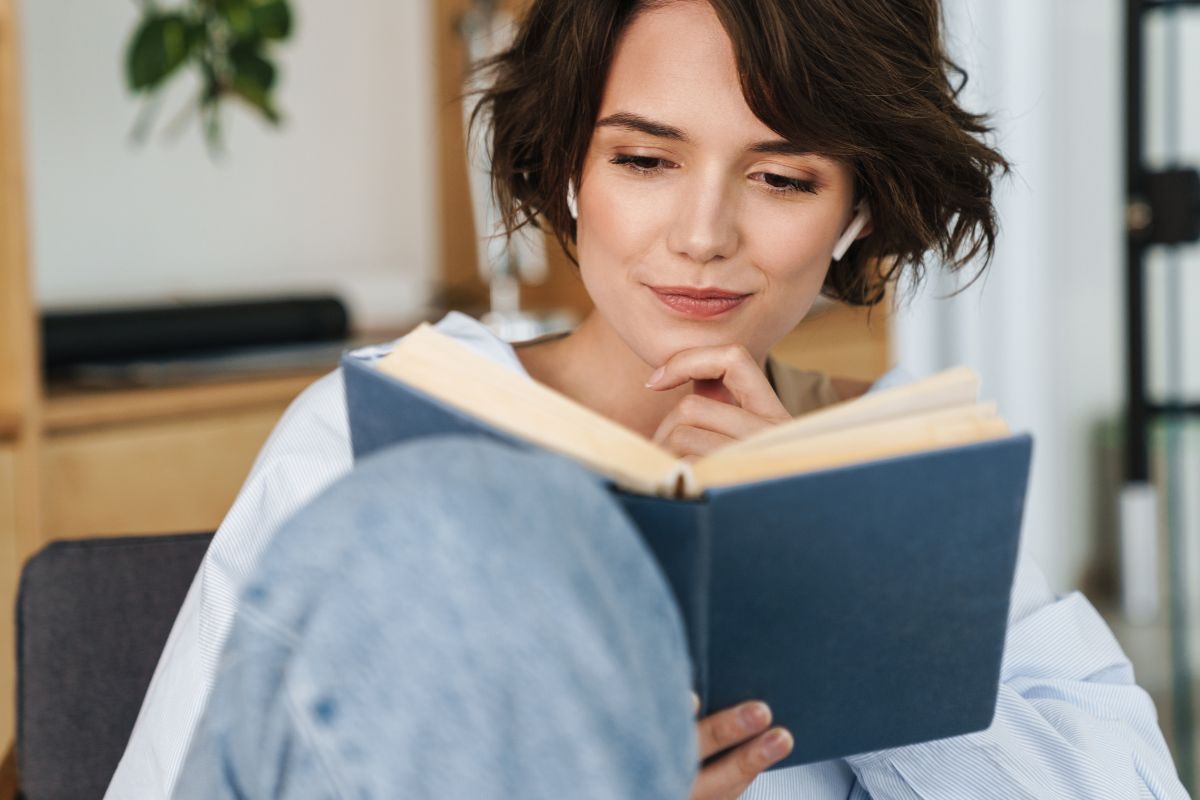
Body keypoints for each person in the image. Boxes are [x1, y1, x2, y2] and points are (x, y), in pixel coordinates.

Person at [106, 1, 1189, 798]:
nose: (704, 234)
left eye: (783, 178)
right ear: (572, 167)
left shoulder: (891, 464)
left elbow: (1128, 781)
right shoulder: (358, 438)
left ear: (858, 209)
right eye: (645, 158)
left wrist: (837, 560)